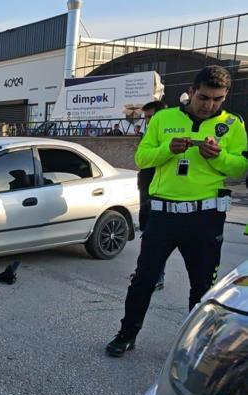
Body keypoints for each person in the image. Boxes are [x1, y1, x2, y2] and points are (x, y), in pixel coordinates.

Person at [106, 65, 248, 357]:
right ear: (192, 92)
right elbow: (142, 158)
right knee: (143, 279)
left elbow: (241, 168)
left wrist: (218, 157)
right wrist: (168, 149)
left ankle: (194, 347)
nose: (210, 105)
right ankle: (127, 334)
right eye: (204, 98)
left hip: (206, 218)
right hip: (164, 216)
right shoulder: (163, 118)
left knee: (202, 287)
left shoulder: (233, 124)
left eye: (218, 99)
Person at [135, 100, 168, 292]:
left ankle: (157, 276)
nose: (148, 121)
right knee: (147, 236)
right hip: (145, 191)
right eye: (146, 117)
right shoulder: (149, 134)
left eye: (150, 116)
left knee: (157, 238)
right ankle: (145, 272)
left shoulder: (167, 137)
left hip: (159, 193)